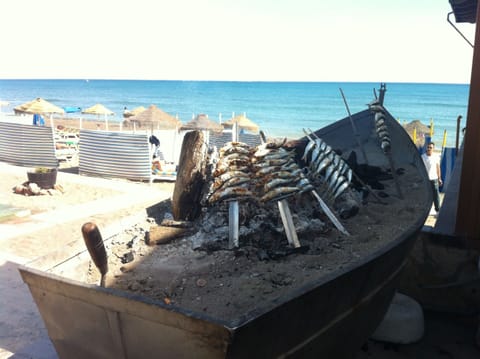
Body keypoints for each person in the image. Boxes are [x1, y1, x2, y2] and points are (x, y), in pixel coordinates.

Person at [421, 142, 442, 213]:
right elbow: (420, 168)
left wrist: (439, 178)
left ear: (433, 149)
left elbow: (438, 168)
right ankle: (425, 209)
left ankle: (438, 210)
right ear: (426, 148)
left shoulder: (436, 157)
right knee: (425, 195)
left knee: (436, 195)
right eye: (428, 147)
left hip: (434, 179)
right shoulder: (423, 157)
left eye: (431, 147)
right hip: (425, 180)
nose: (429, 149)